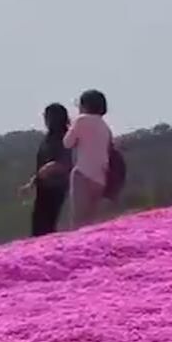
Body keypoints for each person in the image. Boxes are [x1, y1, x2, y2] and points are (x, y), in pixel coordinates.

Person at [64, 90, 116, 227]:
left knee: (78, 220)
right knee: (90, 221)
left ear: (84, 105)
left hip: (83, 173)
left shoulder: (81, 120)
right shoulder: (105, 127)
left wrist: (70, 128)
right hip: (100, 177)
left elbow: (67, 143)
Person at [21, 103, 72, 238]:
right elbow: (42, 165)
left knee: (48, 227)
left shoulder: (66, 137)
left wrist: (51, 167)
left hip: (58, 188)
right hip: (44, 189)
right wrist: (32, 183)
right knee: (39, 228)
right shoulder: (48, 139)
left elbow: (66, 162)